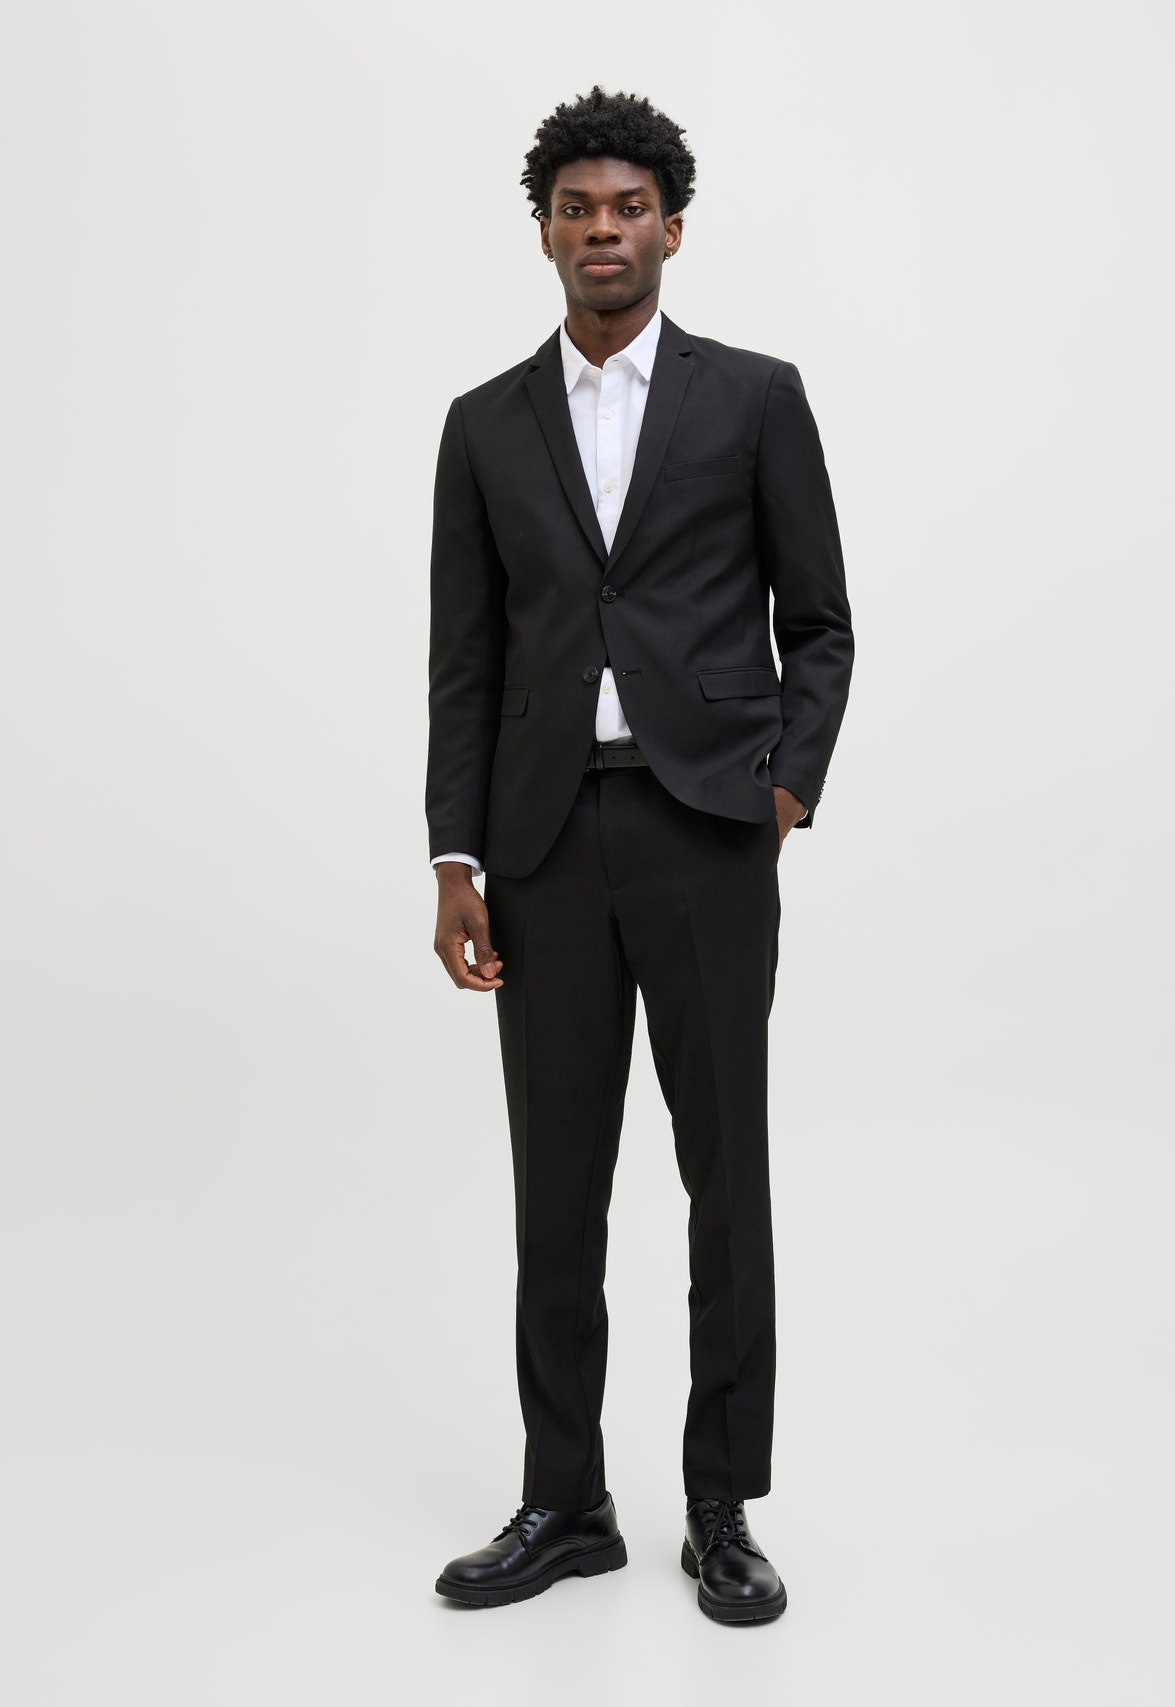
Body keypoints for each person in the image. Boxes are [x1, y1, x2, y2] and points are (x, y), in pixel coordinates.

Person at [425, 86, 853, 1623]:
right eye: (575, 209)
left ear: (672, 226)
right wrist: (456, 858)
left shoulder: (755, 398)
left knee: (723, 1176)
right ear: (544, 231)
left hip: (704, 834)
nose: (601, 230)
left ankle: (720, 1504)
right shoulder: (485, 425)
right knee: (557, 1186)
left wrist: (780, 791)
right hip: (540, 844)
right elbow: (465, 661)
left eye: (627, 208)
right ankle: (566, 1500)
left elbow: (821, 621)